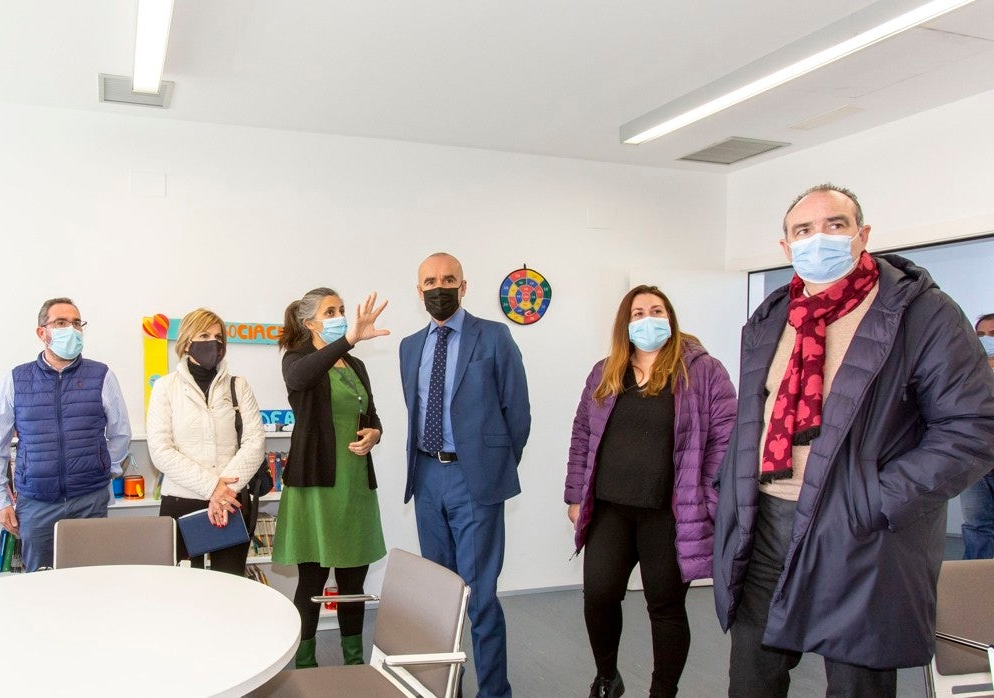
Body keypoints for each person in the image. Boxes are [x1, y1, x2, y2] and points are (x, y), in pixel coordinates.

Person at [713, 184, 994, 697]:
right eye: (803, 230)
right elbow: (756, 414)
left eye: (835, 225)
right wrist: (729, 488)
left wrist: (875, 499)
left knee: (855, 682)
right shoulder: (773, 316)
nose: (818, 239)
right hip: (765, 522)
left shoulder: (922, 313)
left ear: (862, 235)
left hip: (859, 528)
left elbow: (973, 427)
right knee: (752, 676)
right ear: (786, 247)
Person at [565, 286, 736, 698]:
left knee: (665, 607)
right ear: (625, 324)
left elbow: (726, 438)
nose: (648, 319)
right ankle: (607, 677)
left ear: (670, 318)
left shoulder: (703, 371)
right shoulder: (605, 371)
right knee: (599, 595)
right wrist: (575, 496)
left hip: (670, 513)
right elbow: (583, 434)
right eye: (638, 313)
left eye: (657, 311)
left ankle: (662, 691)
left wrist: (708, 499)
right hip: (610, 508)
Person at [399, 252, 530, 698]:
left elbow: (518, 413)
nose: (439, 287)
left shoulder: (493, 336)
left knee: (481, 595)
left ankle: (493, 692)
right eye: (430, 281)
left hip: (474, 481)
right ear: (419, 291)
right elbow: (416, 410)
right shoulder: (409, 346)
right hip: (426, 478)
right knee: (439, 596)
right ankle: (446, 689)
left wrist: (491, 467)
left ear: (463, 286)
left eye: (448, 279)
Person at [272, 288, 389, 669]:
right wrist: (348, 339)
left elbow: (371, 414)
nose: (340, 316)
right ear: (310, 323)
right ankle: (306, 666)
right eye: (330, 311)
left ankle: (354, 664)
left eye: (341, 309)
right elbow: (303, 377)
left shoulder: (356, 366)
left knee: (353, 584)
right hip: (317, 486)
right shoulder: (296, 360)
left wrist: (375, 433)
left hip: (355, 487)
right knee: (312, 582)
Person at [0, 297, 132, 572]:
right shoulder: (15, 379)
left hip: (89, 501)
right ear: (42, 333)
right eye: (61, 323)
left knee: (93, 579)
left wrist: (104, 470)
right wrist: (1, 501)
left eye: (77, 323)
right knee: (40, 584)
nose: (71, 329)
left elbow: (121, 433)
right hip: (36, 504)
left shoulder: (102, 376)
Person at [146, 308, 266, 574]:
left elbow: (255, 442)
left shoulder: (239, 386)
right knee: (183, 587)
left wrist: (224, 494)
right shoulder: (165, 387)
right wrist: (213, 488)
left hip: (232, 502)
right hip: (182, 502)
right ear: (187, 342)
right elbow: (160, 450)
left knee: (230, 583)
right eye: (204, 335)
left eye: (218, 337)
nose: (213, 342)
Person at [959, 312, 994, 559]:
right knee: (977, 528)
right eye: (980, 334)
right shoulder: (966, 374)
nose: (986, 339)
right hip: (975, 464)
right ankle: (979, 580)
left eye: (993, 334)